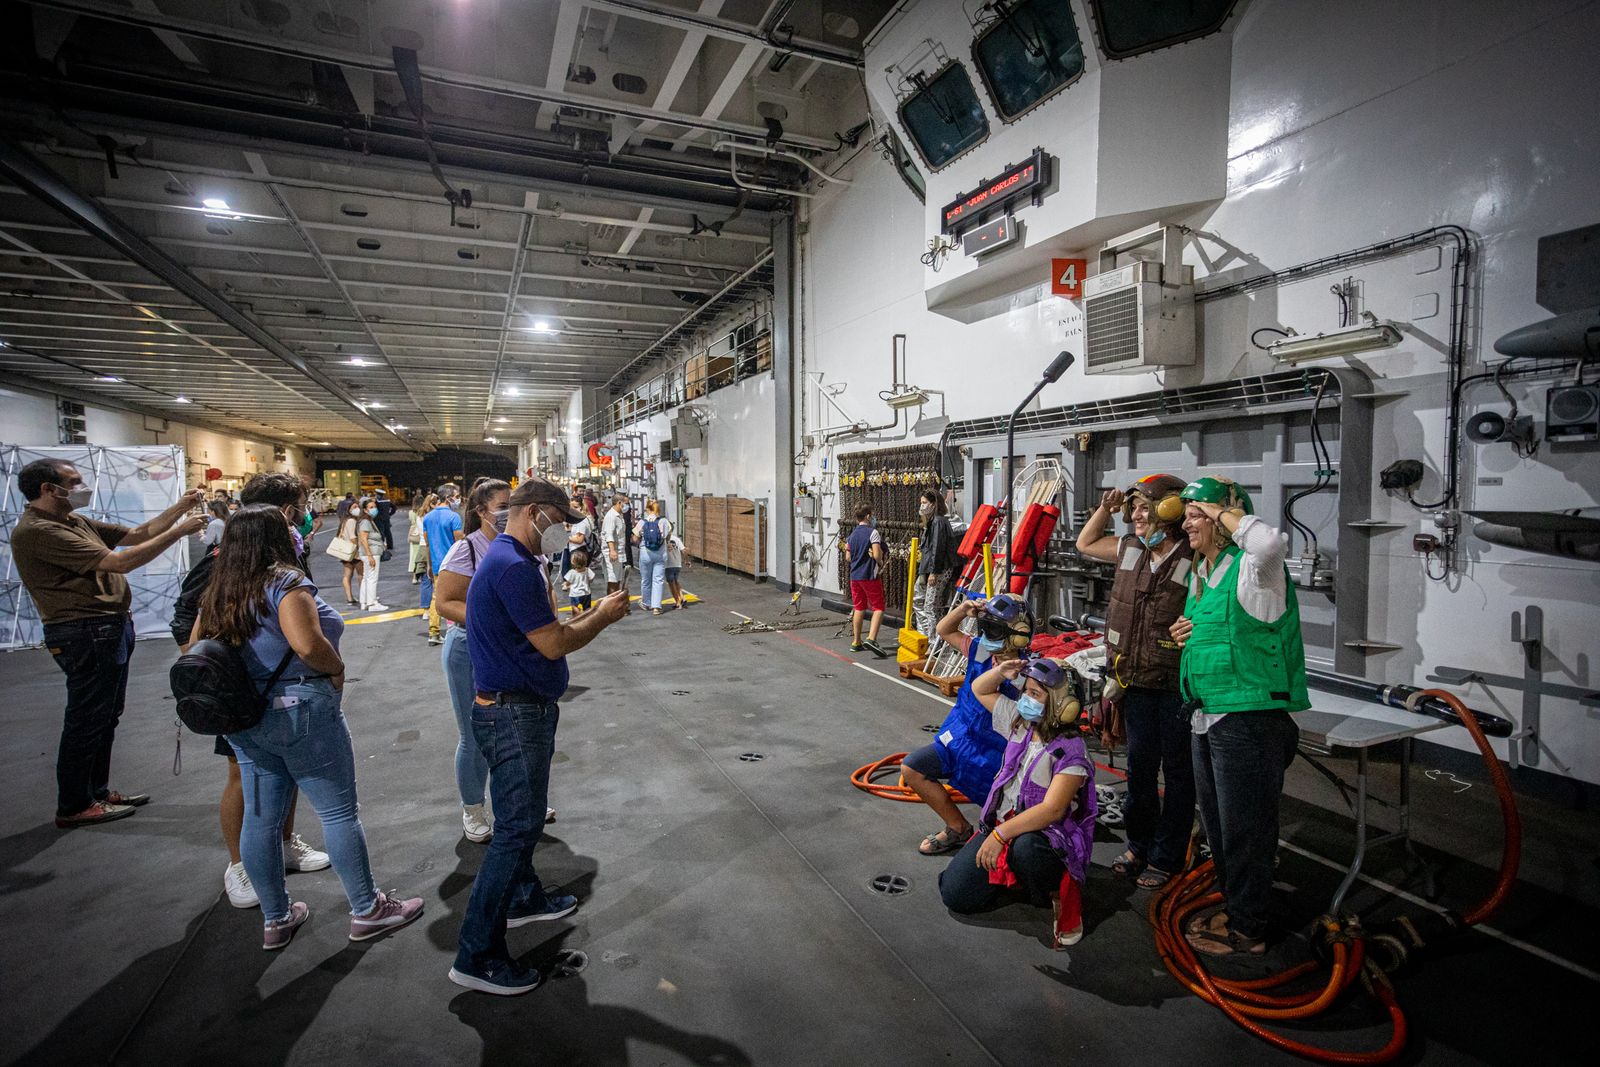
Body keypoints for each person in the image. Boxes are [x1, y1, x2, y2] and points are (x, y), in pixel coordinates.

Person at [189, 504, 423, 950]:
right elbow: (307, 643)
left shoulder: (218, 590)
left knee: (260, 819)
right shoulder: (285, 582)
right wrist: (336, 670)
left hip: (245, 716)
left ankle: (276, 918)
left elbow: (194, 647)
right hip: (300, 709)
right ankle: (367, 910)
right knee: (337, 812)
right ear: (277, 538)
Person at [449, 478, 630, 996]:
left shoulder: (511, 560)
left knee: (518, 819)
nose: (565, 534)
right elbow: (552, 645)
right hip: (514, 716)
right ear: (534, 513)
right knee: (516, 830)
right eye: (560, 522)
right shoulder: (512, 567)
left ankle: (525, 897)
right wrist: (603, 616)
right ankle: (477, 953)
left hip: (513, 709)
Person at [11, 461, 207, 827]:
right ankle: (74, 803)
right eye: (74, 482)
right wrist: (179, 532)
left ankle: (95, 792)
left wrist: (180, 506)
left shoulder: (74, 521)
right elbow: (121, 562)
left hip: (107, 628)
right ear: (47, 489)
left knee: (105, 716)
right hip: (82, 632)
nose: (82, 486)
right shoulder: (39, 531)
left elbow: (135, 535)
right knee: (86, 718)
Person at [170, 472, 330, 908]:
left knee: (288, 768)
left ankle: (281, 844)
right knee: (242, 774)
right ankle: (239, 864)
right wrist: (209, 664)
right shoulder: (226, 556)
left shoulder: (284, 551)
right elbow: (187, 613)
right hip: (240, 687)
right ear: (284, 510)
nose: (305, 512)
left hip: (285, 684)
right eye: (300, 504)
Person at [1171, 476, 1308, 958]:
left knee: (1246, 829)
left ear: (1223, 519)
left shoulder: (1256, 568)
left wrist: (1221, 508)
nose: (1186, 521)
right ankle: (1236, 906)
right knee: (1219, 826)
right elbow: (1223, 633)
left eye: (1196, 514)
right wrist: (1190, 632)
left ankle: (1249, 928)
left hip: (1248, 719)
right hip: (1208, 715)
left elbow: (1270, 540)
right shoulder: (1202, 574)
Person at [1075, 474, 1195, 890]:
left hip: (1176, 683)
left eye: (1146, 507)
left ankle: (1167, 856)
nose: (1137, 515)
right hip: (1136, 680)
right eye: (1134, 508)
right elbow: (1085, 544)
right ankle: (1139, 846)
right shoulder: (1130, 548)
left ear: (1171, 510)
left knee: (1179, 774)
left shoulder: (1195, 555)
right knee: (1140, 770)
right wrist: (1105, 510)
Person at [939, 656, 1096, 949]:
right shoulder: (1021, 724)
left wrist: (1000, 834)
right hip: (1004, 825)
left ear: (1064, 706)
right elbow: (980, 690)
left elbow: (1052, 810)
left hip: (1043, 836)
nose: (1026, 698)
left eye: (1035, 694)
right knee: (955, 894)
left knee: (1027, 849)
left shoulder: (1071, 751)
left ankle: (1058, 890)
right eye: (1026, 691)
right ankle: (1019, 877)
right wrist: (1001, 671)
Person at [902, 594, 1030, 856]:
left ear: (1019, 635)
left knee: (1005, 827)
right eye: (986, 627)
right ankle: (958, 828)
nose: (987, 635)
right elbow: (944, 629)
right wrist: (962, 610)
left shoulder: (1027, 673)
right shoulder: (981, 649)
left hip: (995, 756)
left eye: (993, 628)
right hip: (959, 738)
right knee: (912, 768)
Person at [431, 479, 510, 844]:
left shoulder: (521, 546)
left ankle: (514, 799)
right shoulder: (468, 550)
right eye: (503, 505)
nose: (511, 512)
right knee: (475, 735)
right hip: (469, 648)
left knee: (513, 729)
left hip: (508, 648)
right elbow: (444, 601)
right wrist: (489, 618)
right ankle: (473, 810)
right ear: (481, 511)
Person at [843, 503, 888, 657]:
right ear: (868, 516)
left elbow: (848, 557)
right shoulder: (873, 532)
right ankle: (871, 639)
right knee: (878, 607)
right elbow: (876, 554)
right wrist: (880, 560)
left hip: (854, 577)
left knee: (859, 607)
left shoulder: (852, 534)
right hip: (869, 575)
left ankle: (856, 642)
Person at [912, 490, 957, 636]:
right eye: (921, 503)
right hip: (929, 568)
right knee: (920, 600)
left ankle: (934, 642)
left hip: (938, 569)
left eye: (925, 503)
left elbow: (938, 547)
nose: (922, 506)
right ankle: (925, 634)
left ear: (933, 504)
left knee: (930, 606)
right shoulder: (932, 522)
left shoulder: (938, 522)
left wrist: (934, 572)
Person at [423, 482, 464, 643]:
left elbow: (427, 544)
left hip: (436, 563)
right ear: (448, 498)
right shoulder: (454, 517)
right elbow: (460, 542)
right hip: (453, 565)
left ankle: (433, 632)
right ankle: (454, 630)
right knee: (455, 598)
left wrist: (429, 564)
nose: (458, 500)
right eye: (456, 497)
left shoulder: (428, 517)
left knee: (436, 597)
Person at [633, 500, 674, 616]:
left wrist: (640, 542)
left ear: (647, 509)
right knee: (658, 580)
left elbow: (635, 538)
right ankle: (657, 607)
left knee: (646, 580)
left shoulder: (642, 522)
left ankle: (646, 603)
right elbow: (668, 535)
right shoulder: (664, 521)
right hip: (661, 554)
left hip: (645, 554)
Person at [355, 497, 387, 612]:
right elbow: (363, 539)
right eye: (371, 507)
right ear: (365, 510)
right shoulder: (365, 522)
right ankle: (372, 603)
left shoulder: (368, 520)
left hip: (369, 553)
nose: (374, 509)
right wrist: (369, 555)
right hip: (371, 553)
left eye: (375, 507)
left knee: (366, 578)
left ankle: (364, 602)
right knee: (372, 578)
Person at [600, 495, 628, 594]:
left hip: (619, 552)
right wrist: (612, 550)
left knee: (618, 579)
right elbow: (609, 535)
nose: (626, 506)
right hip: (612, 553)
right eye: (625, 503)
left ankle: (616, 604)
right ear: (619, 503)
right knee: (612, 580)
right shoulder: (611, 516)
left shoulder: (619, 515)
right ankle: (611, 606)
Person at [410, 493, 436, 586]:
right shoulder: (432, 516)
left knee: (425, 580)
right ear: (432, 504)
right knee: (434, 579)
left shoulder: (420, 515)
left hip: (422, 546)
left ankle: (425, 601)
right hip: (431, 547)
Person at [563, 550, 595, 616]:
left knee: (574, 606)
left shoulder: (572, 572)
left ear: (573, 562)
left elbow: (568, 582)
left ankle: (577, 615)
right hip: (586, 593)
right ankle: (587, 617)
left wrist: (566, 585)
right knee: (587, 608)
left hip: (575, 593)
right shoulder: (587, 570)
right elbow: (591, 579)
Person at [664, 532, 687, 609]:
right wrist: (686, 560)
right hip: (677, 564)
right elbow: (684, 550)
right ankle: (682, 598)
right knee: (675, 581)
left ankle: (678, 602)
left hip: (668, 564)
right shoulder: (677, 539)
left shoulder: (663, 540)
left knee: (671, 584)